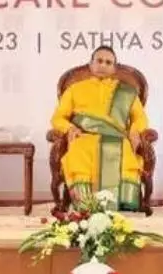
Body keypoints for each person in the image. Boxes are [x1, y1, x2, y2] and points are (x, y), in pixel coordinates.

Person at [51, 45, 150, 210]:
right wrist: (69, 128)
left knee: (125, 151)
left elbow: (140, 118)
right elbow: (58, 118)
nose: (103, 65)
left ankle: (123, 203)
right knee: (78, 151)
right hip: (84, 137)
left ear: (114, 68)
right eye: (99, 61)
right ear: (91, 64)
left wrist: (135, 130)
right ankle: (85, 204)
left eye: (108, 62)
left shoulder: (127, 92)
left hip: (118, 139)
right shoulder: (74, 89)